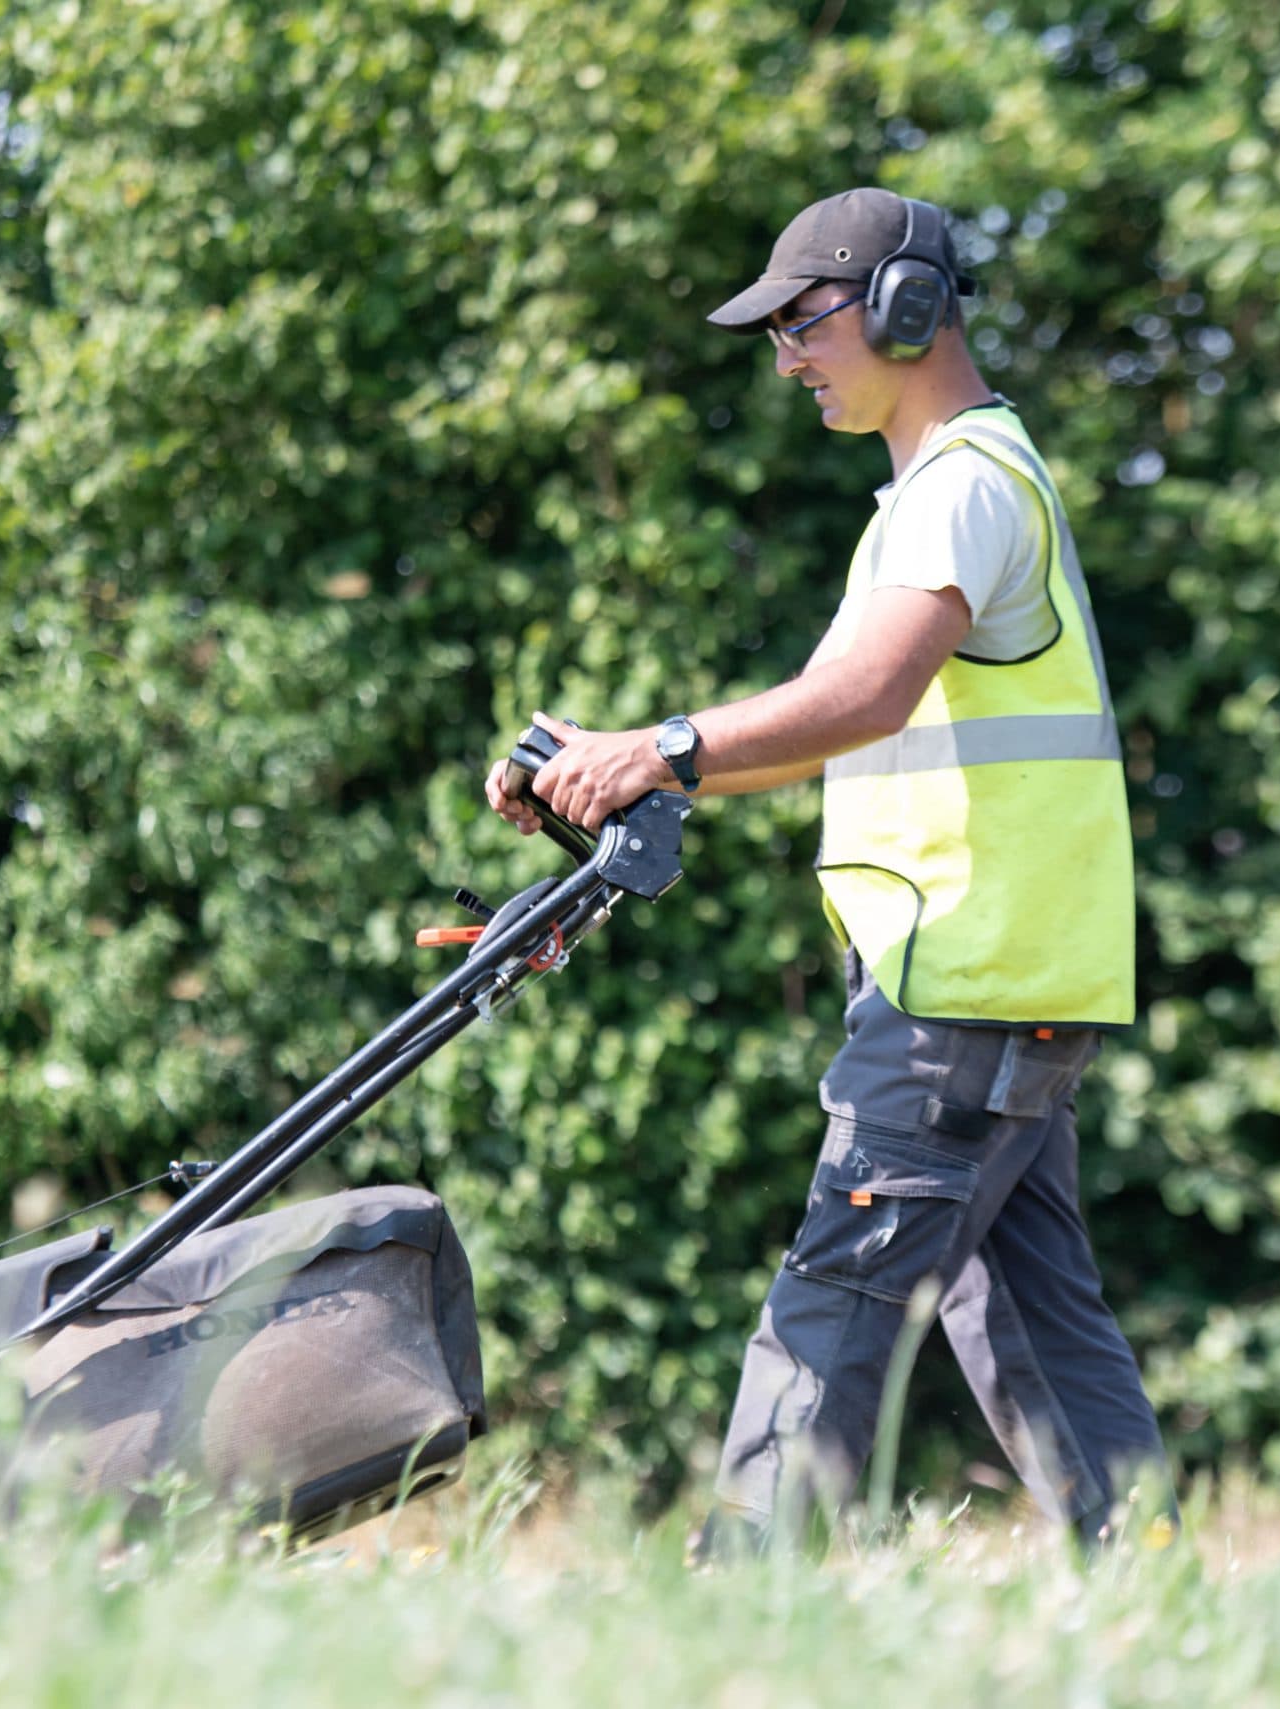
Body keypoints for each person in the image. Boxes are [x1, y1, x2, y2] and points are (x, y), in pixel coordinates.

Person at [483, 187, 1173, 1549]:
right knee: (1026, 1308)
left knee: (838, 1294)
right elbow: (822, 725)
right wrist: (613, 757)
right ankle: (1151, 1577)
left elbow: (860, 695)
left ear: (908, 306)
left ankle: (742, 1598)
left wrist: (663, 743)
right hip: (1000, 979)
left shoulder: (965, 488)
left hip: (957, 984)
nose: (787, 357)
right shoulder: (949, 489)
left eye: (804, 322)